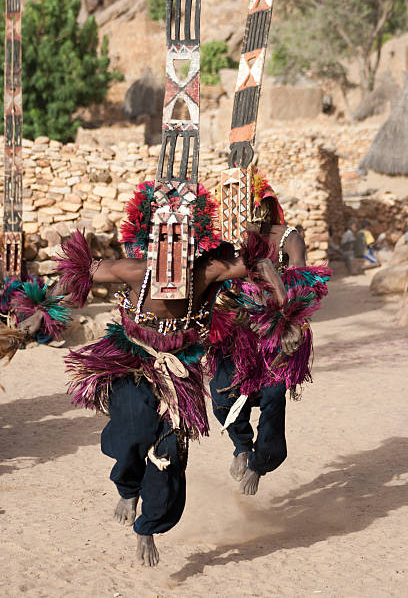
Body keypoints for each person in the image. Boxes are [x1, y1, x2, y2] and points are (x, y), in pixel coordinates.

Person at [53, 181, 289, 567]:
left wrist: (282, 301)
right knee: (133, 428)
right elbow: (80, 272)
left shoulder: (207, 271)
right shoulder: (133, 270)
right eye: (163, 238)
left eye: (181, 238)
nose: (171, 248)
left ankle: (148, 527)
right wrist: (43, 306)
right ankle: (127, 488)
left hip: (181, 372)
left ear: (195, 239)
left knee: (169, 457)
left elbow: (261, 263)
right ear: (150, 237)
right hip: (132, 361)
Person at [208, 174, 331, 496]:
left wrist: (281, 311)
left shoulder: (289, 237)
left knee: (274, 398)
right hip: (238, 332)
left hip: (277, 330)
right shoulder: (231, 238)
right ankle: (241, 446)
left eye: (259, 206)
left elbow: (303, 277)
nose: (254, 212)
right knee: (221, 393)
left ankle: (260, 465)